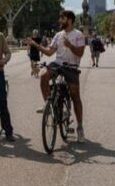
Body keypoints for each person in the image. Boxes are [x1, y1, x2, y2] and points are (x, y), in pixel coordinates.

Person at [27, 10, 87, 143]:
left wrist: (70, 46)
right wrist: (35, 44)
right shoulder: (58, 35)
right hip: (58, 64)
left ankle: (80, 128)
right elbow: (49, 52)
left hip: (71, 67)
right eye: (60, 18)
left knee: (75, 96)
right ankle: (49, 105)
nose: (60, 20)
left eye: (62, 18)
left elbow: (80, 54)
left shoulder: (79, 35)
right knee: (43, 74)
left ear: (69, 20)